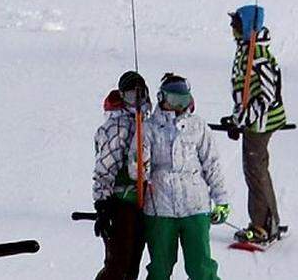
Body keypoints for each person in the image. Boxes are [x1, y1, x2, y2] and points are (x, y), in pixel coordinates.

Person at [134, 74, 228, 280]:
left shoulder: (198, 126)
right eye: (174, 100)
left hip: (195, 207)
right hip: (161, 209)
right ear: (162, 98)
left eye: (183, 101)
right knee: (160, 268)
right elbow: (137, 172)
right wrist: (139, 160)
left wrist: (221, 201)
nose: (179, 106)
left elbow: (212, 164)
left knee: (201, 268)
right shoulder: (148, 128)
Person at [219, 5, 286, 245]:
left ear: (248, 27)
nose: (232, 28)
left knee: (255, 171)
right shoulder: (246, 50)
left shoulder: (256, 54)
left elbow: (267, 96)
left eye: (236, 24)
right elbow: (245, 92)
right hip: (253, 121)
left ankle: (262, 226)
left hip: (261, 123)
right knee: (256, 169)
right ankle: (269, 219)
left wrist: (245, 120)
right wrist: (237, 117)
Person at [92, 71, 151, 280]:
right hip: (121, 203)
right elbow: (104, 167)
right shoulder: (116, 127)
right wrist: (102, 204)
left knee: (133, 261)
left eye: (140, 94)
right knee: (118, 264)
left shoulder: (148, 122)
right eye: (130, 95)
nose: (136, 100)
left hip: (145, 204)